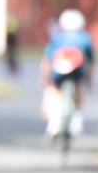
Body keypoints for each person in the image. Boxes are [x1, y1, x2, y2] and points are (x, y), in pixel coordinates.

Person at [40, 8, 94, 136]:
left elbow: (47, 59)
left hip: (58, 74)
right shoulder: (85, 39)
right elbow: (91, 61)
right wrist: (89, 79)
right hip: (77, 74)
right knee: (78, 90)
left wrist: (45, 79)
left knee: (53, 90)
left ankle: (54, 123)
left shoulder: (57, 38)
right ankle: (76, 120)